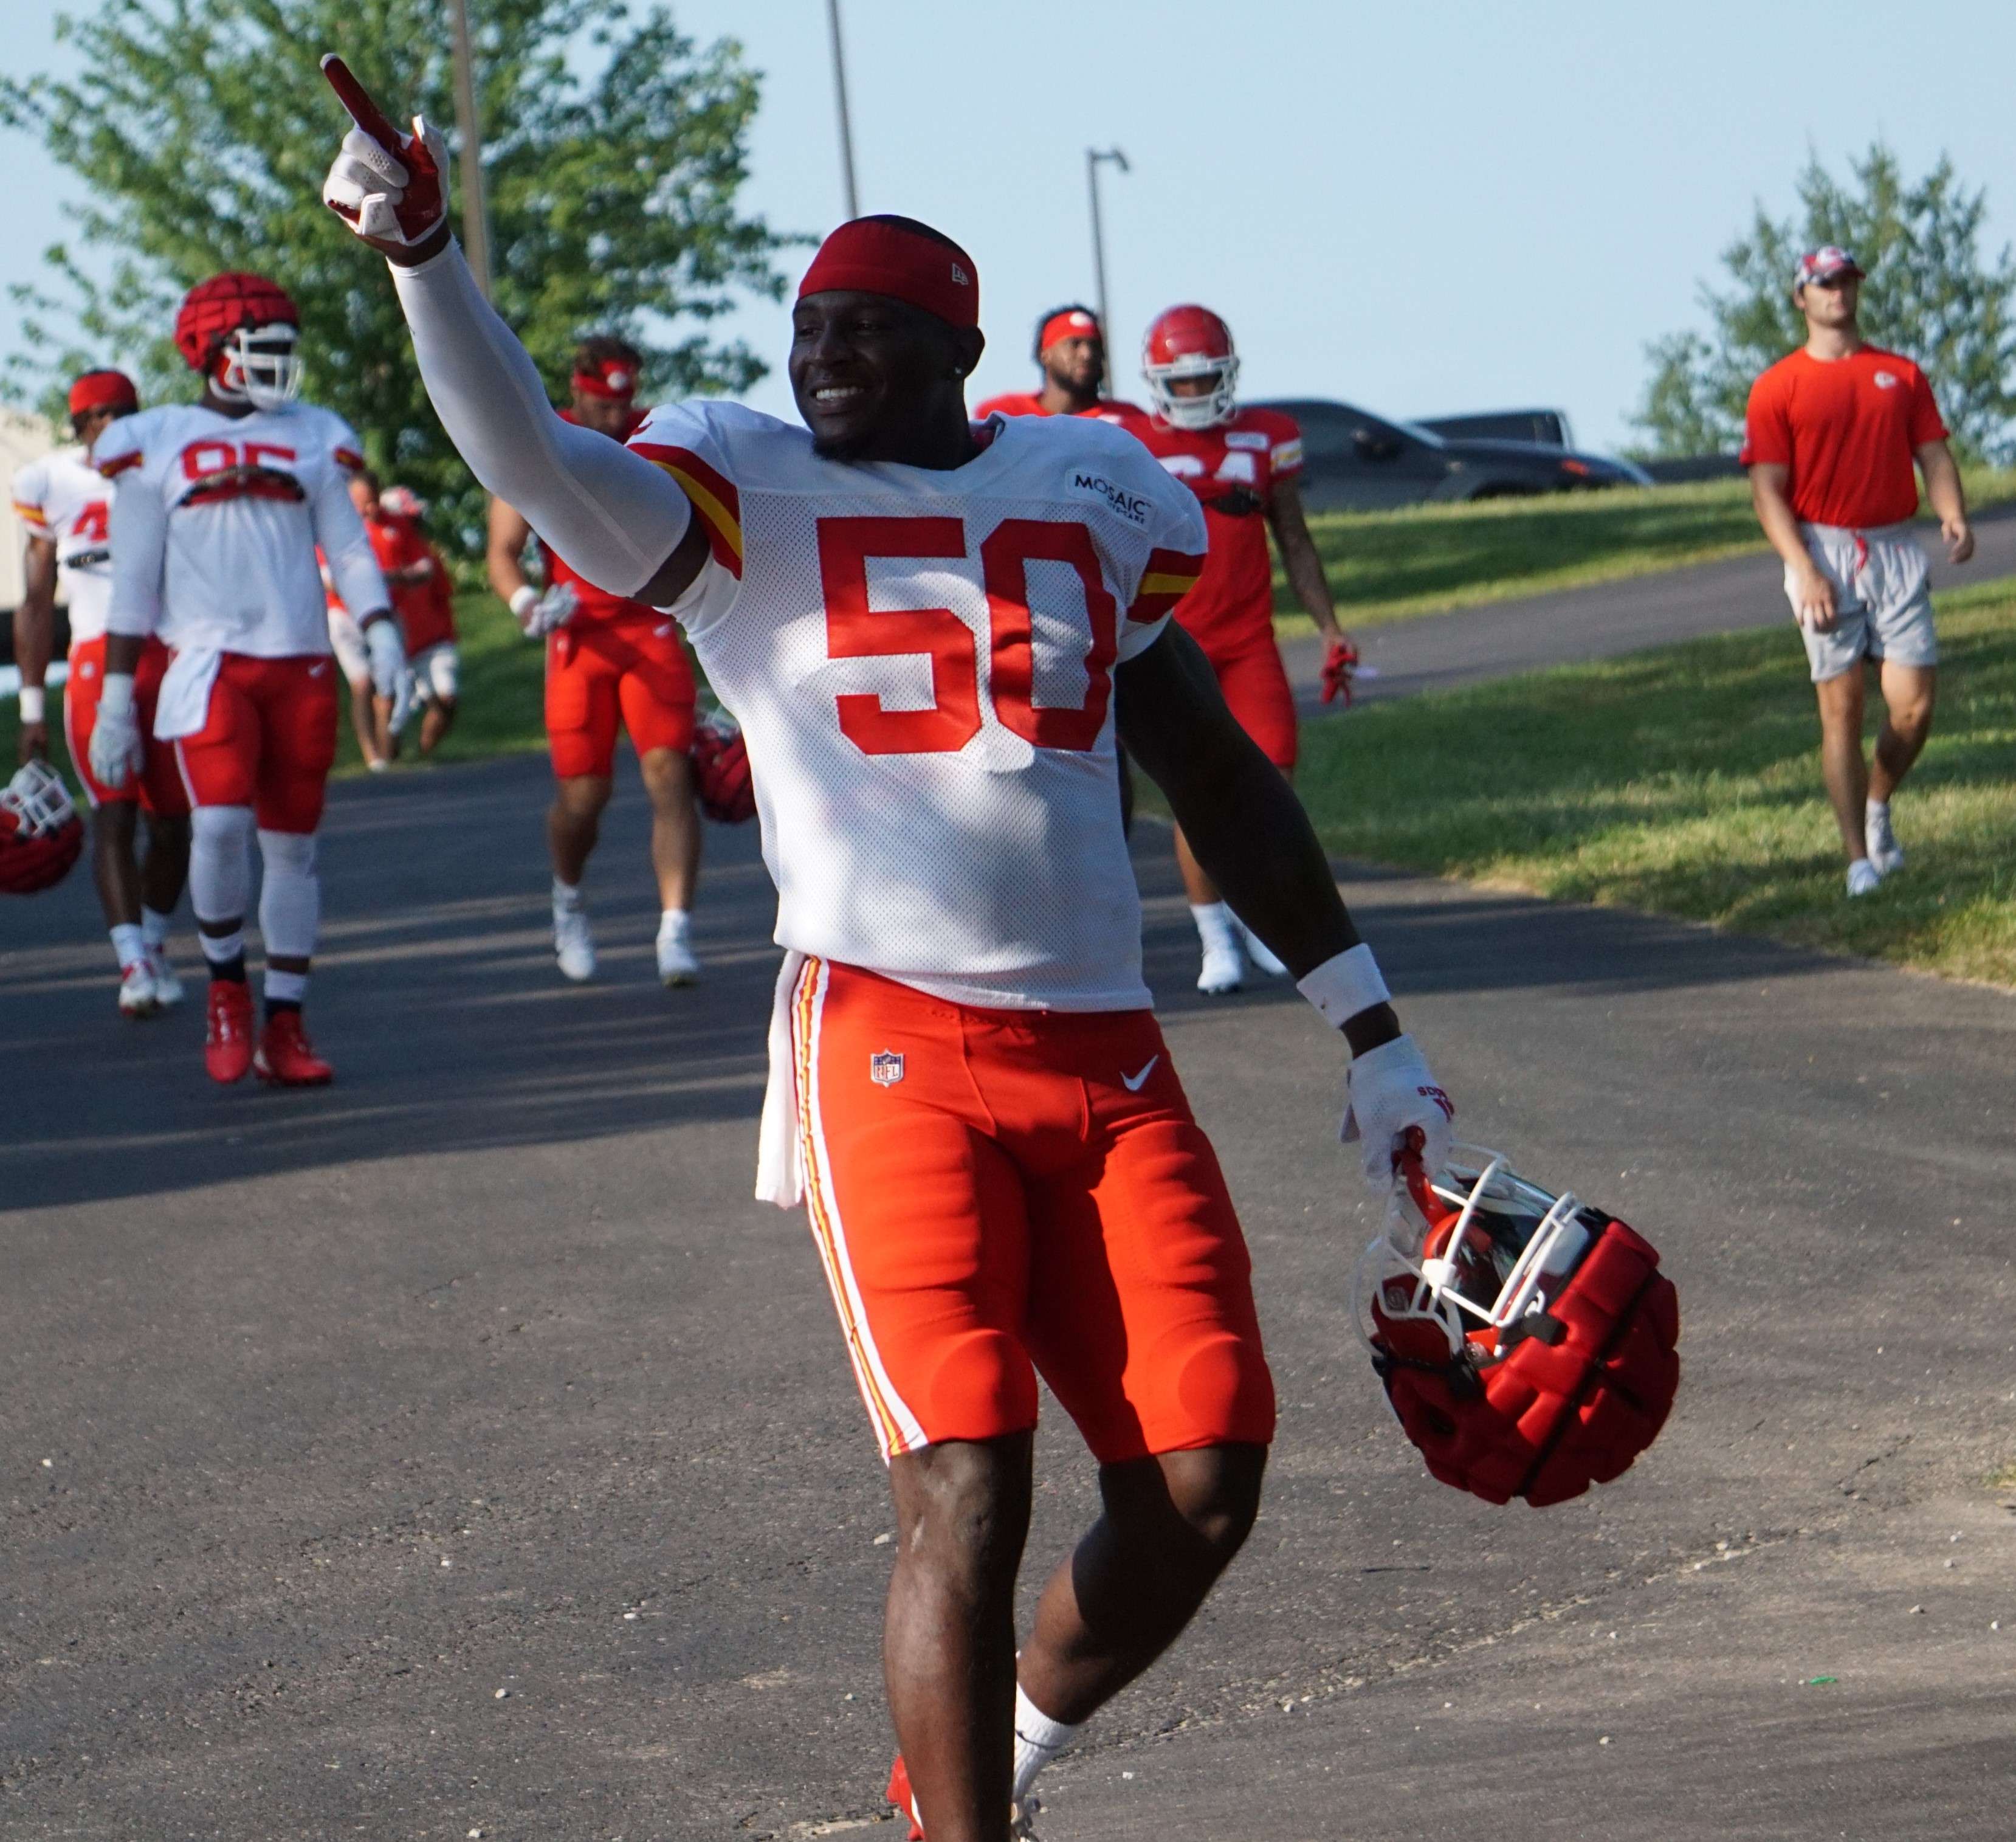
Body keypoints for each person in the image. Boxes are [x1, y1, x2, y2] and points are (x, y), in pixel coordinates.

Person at [322, 77, 1454, 1842]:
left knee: (1204, 1474)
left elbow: (1214, 771)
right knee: (965, 1486)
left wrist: (1368, 1028)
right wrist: (422, 257)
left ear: (957, 346)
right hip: (890, 1043)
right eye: (805, 330)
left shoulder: (1088, 480)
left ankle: (981, 1762)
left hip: (1106, 1053)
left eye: (862, 332)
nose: (820, 358)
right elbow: (532, 455)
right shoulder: (741, 490)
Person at [91, 271, 401, 1085]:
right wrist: (117, 700)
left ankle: (286, 1025)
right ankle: (227, 990)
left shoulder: (314, 434)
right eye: (263, 350)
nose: (280, 366)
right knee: (221, 826)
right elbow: (131, 581)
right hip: (207, 660)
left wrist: (380, 628)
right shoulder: (152, 437)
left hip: (298, 662)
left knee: (293, 850)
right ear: (215, 353)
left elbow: (351, 546)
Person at [1127, 305, 1360, 993]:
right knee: (1190, 796)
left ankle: (1260, 924)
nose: (1197, 393)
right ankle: (1213, 937)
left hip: (1248, 642)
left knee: (1272, 787)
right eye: (1185, 381)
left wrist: (1329, 627)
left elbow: (1294, 538)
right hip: (1172, 645)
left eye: (1208, 380)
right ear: (1160, 381)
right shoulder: (1132, 445)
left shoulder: (1267, 438)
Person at [1742, 246, 1972, 897]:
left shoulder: (1897, 373)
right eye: (1823, 284)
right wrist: (1803, 569)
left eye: (1845, 282)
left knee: (1914, 706)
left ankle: (1877, 804)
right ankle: (1856, 862)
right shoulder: (1776, 386)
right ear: (1800, 297)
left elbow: (1932, 454)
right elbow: (1766, 491)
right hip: (1821, 551)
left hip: (1893, 549)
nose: (1836, 293)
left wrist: (1950, 513)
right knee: (1841, 707)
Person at [484, 334, 706, 987]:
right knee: (585, 795)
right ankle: (569, 899)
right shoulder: (541, 436)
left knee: (671, 774)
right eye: (603, 404)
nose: (616, 417)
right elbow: (502, 550)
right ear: (578, 388)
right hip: (580, 635)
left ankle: (676, 928)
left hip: (647, 626)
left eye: (624, 403)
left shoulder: (654, 436)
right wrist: (526, 600)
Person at [10, 368, 191, 1015]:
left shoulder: (168, 467)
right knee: (112, 813)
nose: (120, 422)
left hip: (168, 655)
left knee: (175, 826)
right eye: (107, 413)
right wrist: (32, 708)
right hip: (91, 658)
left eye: (130, 410)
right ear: (82, 425)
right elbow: (36, 602)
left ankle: (155, 940)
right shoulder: (51, 481)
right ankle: (133, 964)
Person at [353, 469, 459, 754]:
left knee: (447, 699)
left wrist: (448, 634)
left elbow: (441, 598)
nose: (414, 524)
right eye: (409, 518)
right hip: (399, 641)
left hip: (430, 641)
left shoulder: (425, 555)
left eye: (415, 519)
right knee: (389, 701)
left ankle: (424, 752)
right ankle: (388, 760)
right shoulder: (368, 541)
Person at [974, 304, 1141, 423]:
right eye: (1074, 344)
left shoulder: (1131, 420)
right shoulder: (1003, 415)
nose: (1087, 354)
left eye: (1094, 346)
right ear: (1045, 354)